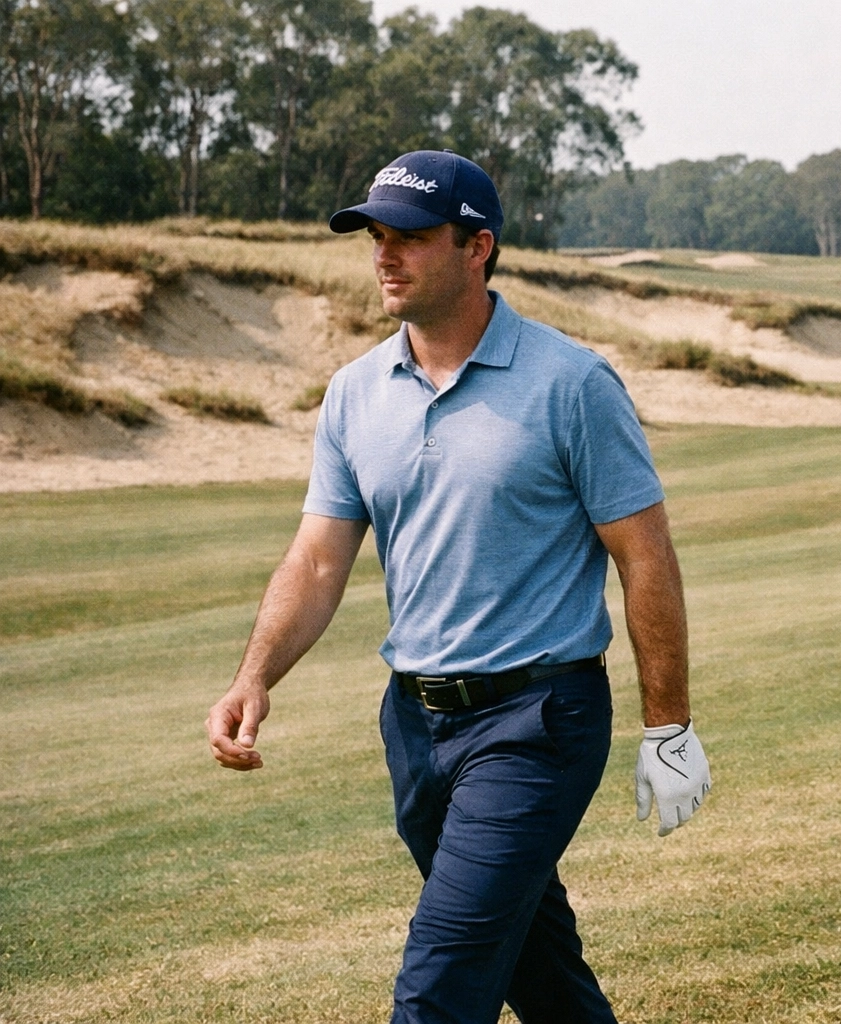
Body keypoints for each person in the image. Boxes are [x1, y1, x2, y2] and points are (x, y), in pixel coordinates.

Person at [204, 150, 711, 1024]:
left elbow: (646, 558)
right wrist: (254, 677)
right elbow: (318, 560)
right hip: (413, 724)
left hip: (538, 721)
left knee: (441, 981)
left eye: (410, 236)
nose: (384, 254)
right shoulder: (354, 393)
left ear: (478, 248)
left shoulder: (571, 383)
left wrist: (667, 726)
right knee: (539, 973)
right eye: (375, 235)